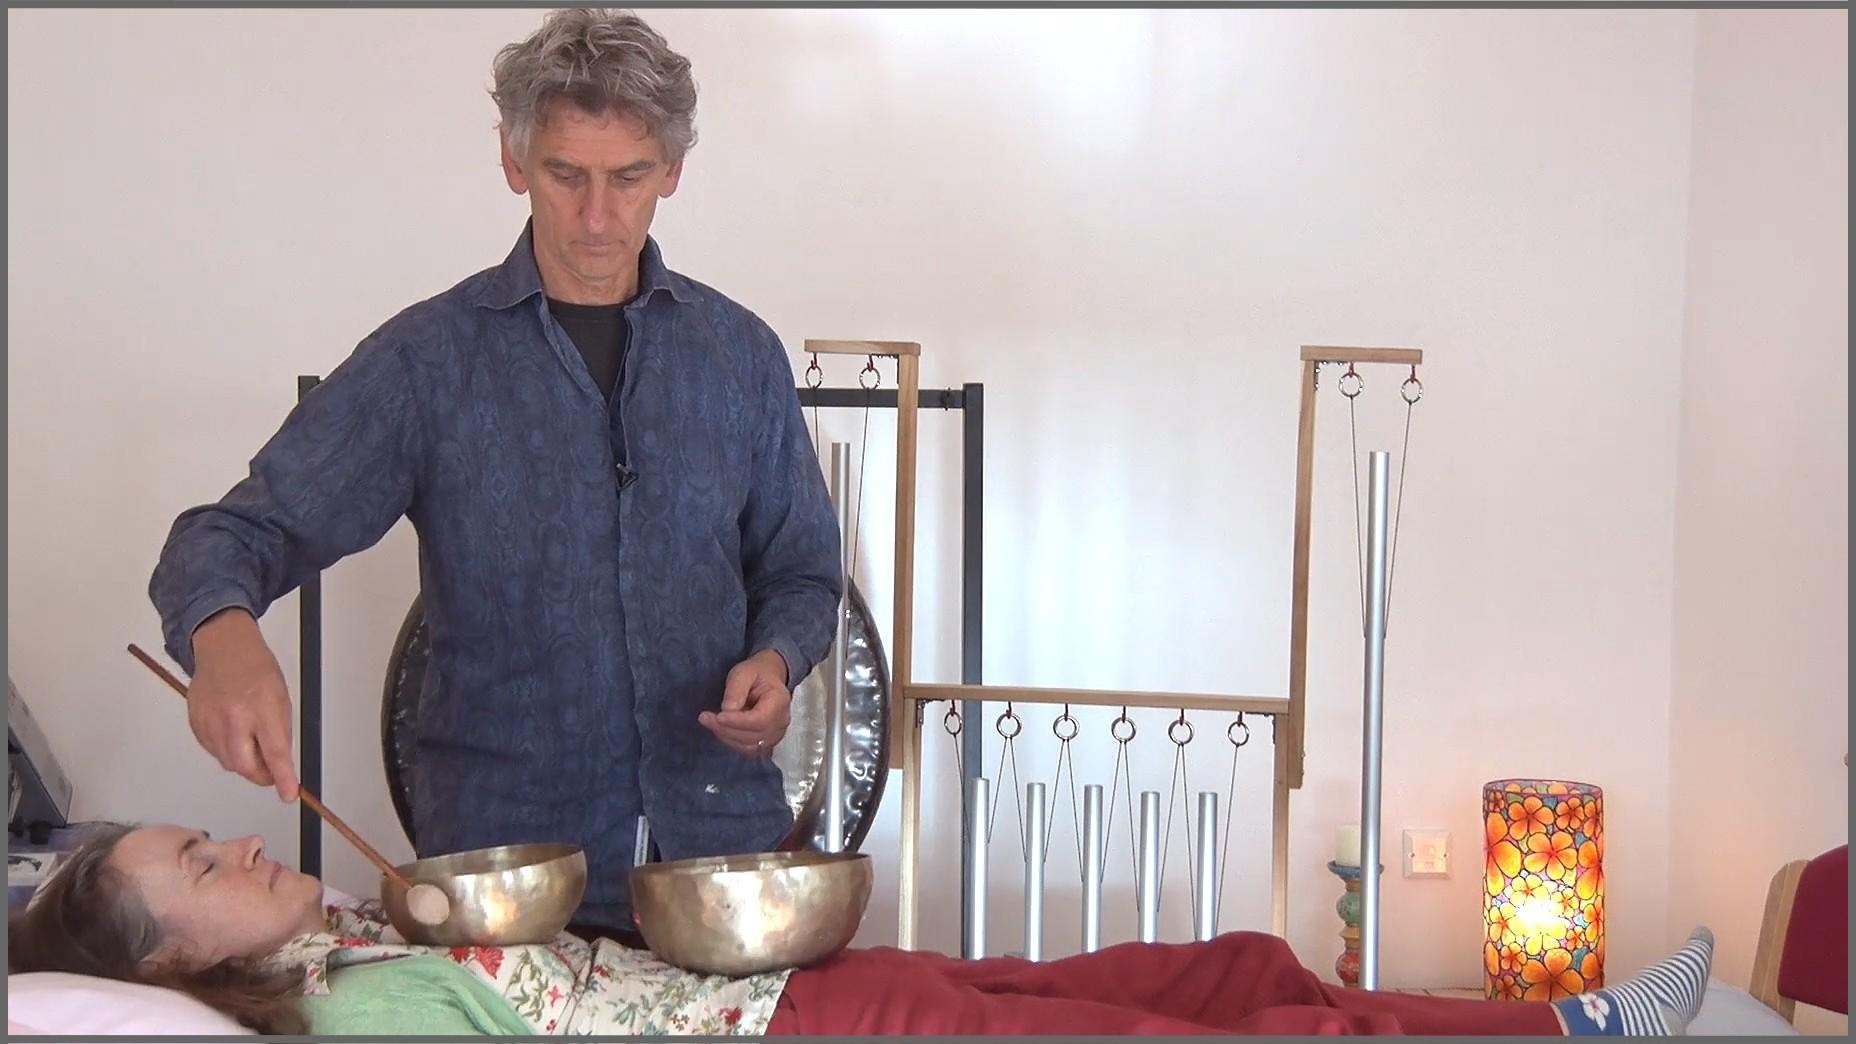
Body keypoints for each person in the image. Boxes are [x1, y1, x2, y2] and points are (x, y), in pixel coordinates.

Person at [145, 7, 841, 937]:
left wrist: (778, 660)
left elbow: (801, 571)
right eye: (565, 175)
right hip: (505, 884)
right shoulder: (427, 363)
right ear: (513, 162)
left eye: (629, 177)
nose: (597, 217)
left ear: (672, 171)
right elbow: (230, 535)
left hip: (722, 864)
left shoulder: (741, 356)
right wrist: (222, 636)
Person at [10, 823, 1719, 1037]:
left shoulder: (364, 926)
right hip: (801, 1040)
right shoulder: (362, 1010)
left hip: (797, 984)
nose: (237, 842)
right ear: (168, 960)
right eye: (197, 861)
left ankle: (1573, 1024)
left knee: (1230, 967)